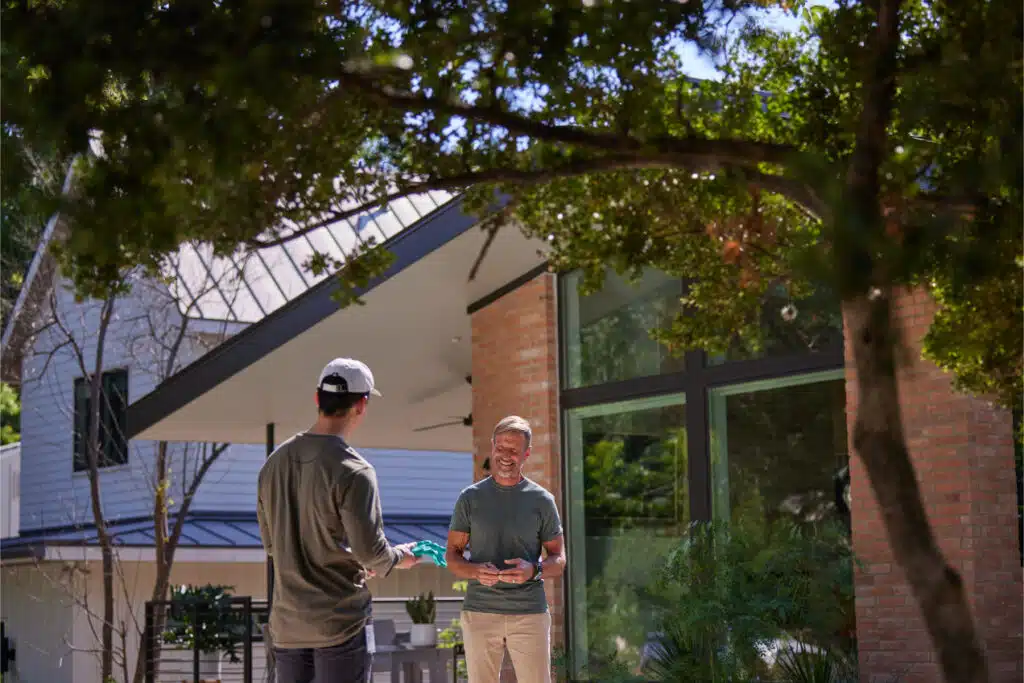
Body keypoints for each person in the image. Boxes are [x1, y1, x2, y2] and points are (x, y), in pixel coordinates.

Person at [257, 357, 425, 683]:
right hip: (340, 625)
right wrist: (406, 556)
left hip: (287, 627)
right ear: (361, 406)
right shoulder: (355, 472)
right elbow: (371, 554)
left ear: (317, 398)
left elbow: (272, 546)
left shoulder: (272, 465)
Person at [445, 415, 567, 683]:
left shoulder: (542, 501)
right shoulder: (470, 498)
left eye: (513, 449)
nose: (505, 455)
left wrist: (533, 570)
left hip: (529, 614)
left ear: (526, 454)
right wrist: (475, 570)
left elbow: (558, 559)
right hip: (480, 612)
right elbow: (452, 556)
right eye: (500, 447)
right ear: (492, 447)